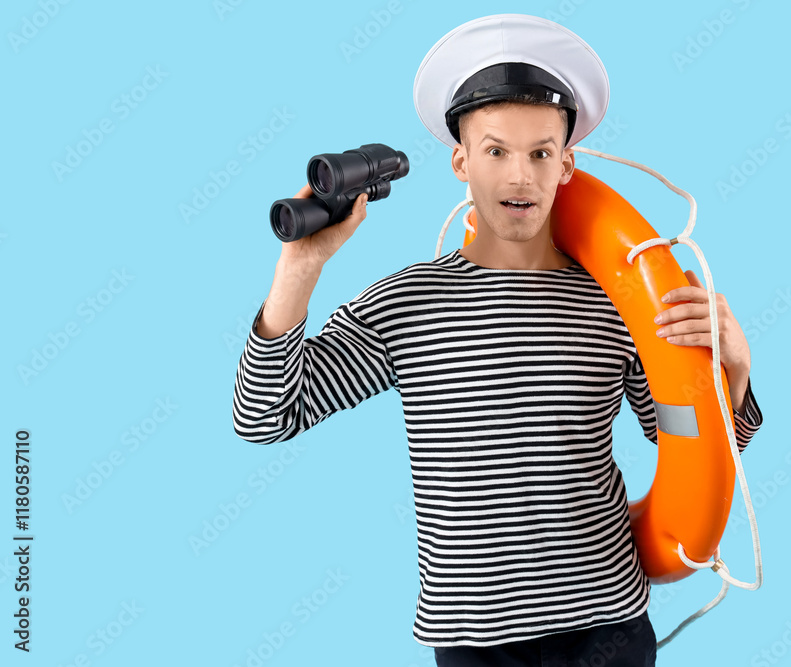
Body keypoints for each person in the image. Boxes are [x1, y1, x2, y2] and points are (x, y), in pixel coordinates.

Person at [232, 14, 763, 667]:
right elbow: (264, 415)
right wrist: (300, 267)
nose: (520, 176)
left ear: (567, 164)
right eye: (495, 150)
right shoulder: (408, 301)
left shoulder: (617, 302)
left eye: (541, 152)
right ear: (461, 160)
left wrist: (731, 376)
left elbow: (682, 439)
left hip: (608, 627)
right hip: (474, 638)